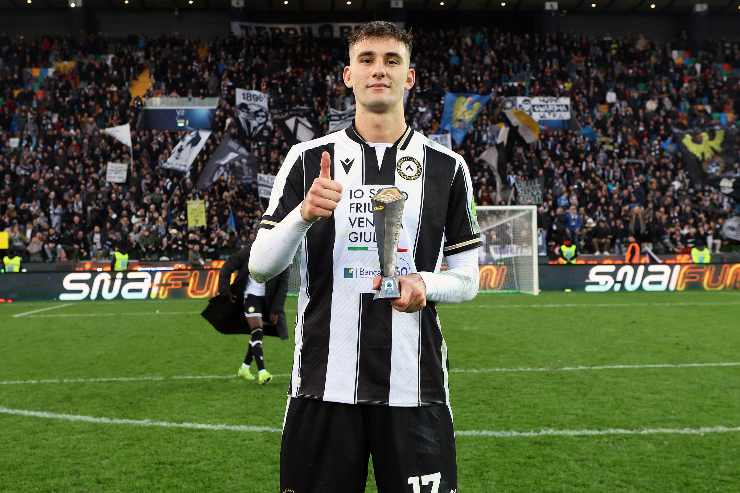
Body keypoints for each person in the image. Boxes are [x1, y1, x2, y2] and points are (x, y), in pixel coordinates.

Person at [249, 21, 480, 493]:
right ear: (348, 75)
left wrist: (425, 284)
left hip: (415, 388)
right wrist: (303, 215)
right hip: (322, 387)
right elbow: (261, 265)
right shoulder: (306, 159)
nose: (379, 70)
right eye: (367, 60)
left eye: (392, 60)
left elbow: (467, 279)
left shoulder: (448, 168)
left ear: (409, 77)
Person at [218, 246, 273, 385]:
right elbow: (226, 268)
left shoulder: (275, 252)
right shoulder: (248, 252)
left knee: (257, 334)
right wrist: (225, 291)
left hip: (265, 300)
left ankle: (244, 368)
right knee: (257, 331)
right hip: (249, 297)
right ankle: (262, 372)